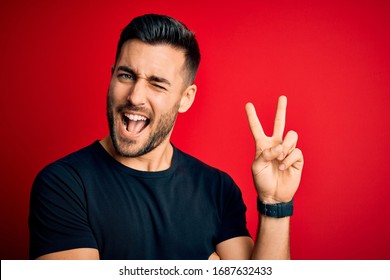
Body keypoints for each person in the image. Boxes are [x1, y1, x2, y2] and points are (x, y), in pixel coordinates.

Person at [29, 14, 304, 260]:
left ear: (186, 98)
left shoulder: (217, 189)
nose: (135, 96)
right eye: (126, 76)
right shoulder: (63, 185)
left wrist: (275, 204)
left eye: (157, 84)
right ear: (112, 76)